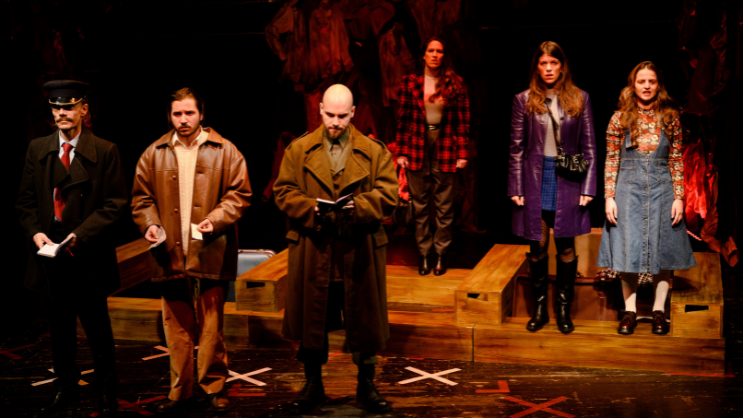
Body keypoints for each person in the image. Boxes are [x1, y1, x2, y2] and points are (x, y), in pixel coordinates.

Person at [273, 84, 397, 415]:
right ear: (320, 110)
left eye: (343, 116)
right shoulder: (300, 149)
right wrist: (309, 207)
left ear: (353, 113)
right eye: (330, 115)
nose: (336, 122)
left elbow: (389, 193)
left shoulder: (373, 151)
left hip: (359, 248)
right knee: (312, 321)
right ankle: (313, 385)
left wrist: (361, 206)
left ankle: (366, 385)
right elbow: (283, 191)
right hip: (315, 247)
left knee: (364, 321)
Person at [131, 88, 251, 412]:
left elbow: (239, 193)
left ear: (201, 114)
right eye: (177, 114)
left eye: (189, 113)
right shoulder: (154, 152)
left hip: (209, 247)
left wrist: (216, 218)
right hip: (169, 249)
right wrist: (150, 224)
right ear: (169, 116)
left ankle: (214, 385)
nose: (183, 119)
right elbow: (141, 199)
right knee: (176, 324)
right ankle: (180, 390)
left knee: (211, 324)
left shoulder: (225, 150)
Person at [16, 80, 128, 416]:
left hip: (86, 252)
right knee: (60, 329)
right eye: (56, 108)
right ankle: (66, 387)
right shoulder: (38, 148)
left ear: (84, 110)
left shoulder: (105, 150)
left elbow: (115, 203)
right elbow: (25, 202)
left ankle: (106, 390)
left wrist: (81, 234)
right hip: (50, 252)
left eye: (68, 107)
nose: (62, 113)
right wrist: (35, 233)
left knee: (97, 328)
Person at [597, 62, 696, 335]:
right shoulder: (619, 119)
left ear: (658, 85)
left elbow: (676, 159)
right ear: (633, 85)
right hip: (628, 189)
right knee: (628, 250)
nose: (647, 86)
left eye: (651, 81)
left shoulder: (670, 117)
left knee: (662, 251)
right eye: (641, 81)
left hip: (663, 188)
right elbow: (612, 159)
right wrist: (609, 197)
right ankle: (629, 312)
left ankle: (658, 311)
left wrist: (679, 197)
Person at [508, 41, 597, 334]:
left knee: (566, 246)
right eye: (543, 63)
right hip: (535, 178)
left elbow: (589, 147)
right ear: (537, 67)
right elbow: (516, 148)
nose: (548, 69)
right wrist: (516, 186)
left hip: (567, 179)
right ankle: (539, 310)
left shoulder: (580, 98)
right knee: (538, 245)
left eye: (553, 63)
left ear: (562, 66)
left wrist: (588, 187)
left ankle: (562, 310)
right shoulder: (523, 100)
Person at [396, 37, 470, 276]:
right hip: (417, 144)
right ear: (424, 55)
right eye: (431, 50)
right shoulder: (410, 82)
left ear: (444, 55)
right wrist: (401, 152)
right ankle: (424, 254)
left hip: (445, 143)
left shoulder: (455, 83)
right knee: (419, 206)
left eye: (439, 51)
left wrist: (462, 152)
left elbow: (462, 121)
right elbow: (403, 119)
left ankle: (440, 254)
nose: (435, 55)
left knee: (444, 206)